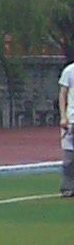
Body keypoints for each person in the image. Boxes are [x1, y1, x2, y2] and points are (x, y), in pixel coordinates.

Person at [58, 43, 73, 197]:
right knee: (69, 157)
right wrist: (63, 116)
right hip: (71, 119)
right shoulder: (69, 71)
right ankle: (67, 187)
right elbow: (62, 94)